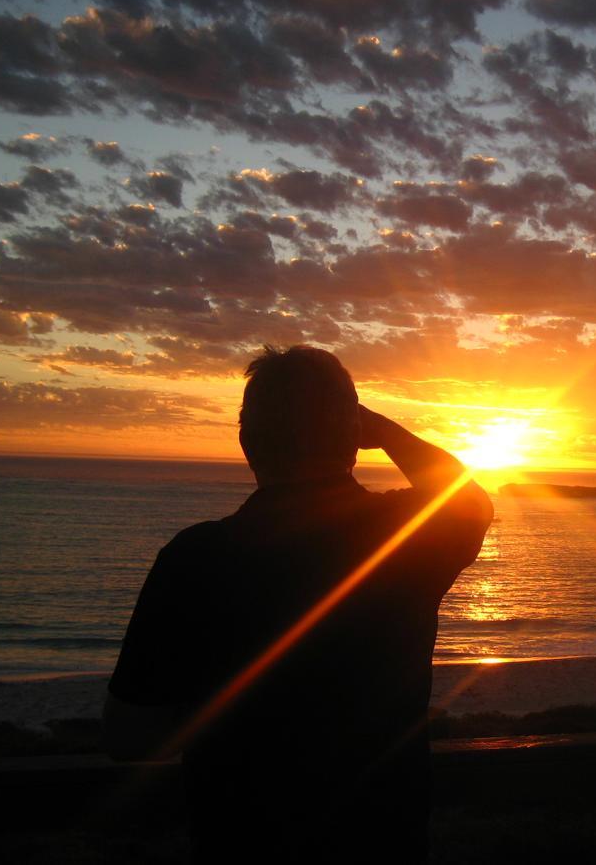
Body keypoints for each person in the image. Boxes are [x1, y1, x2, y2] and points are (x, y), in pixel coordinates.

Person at [103, 346, 493, 863]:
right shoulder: (404, 538)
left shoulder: (195, 558)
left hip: (244, 841)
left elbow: (131, 737)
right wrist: (386, 430)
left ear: (247, 443)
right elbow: (469, 501)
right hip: (382, 839)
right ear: (354, 438)